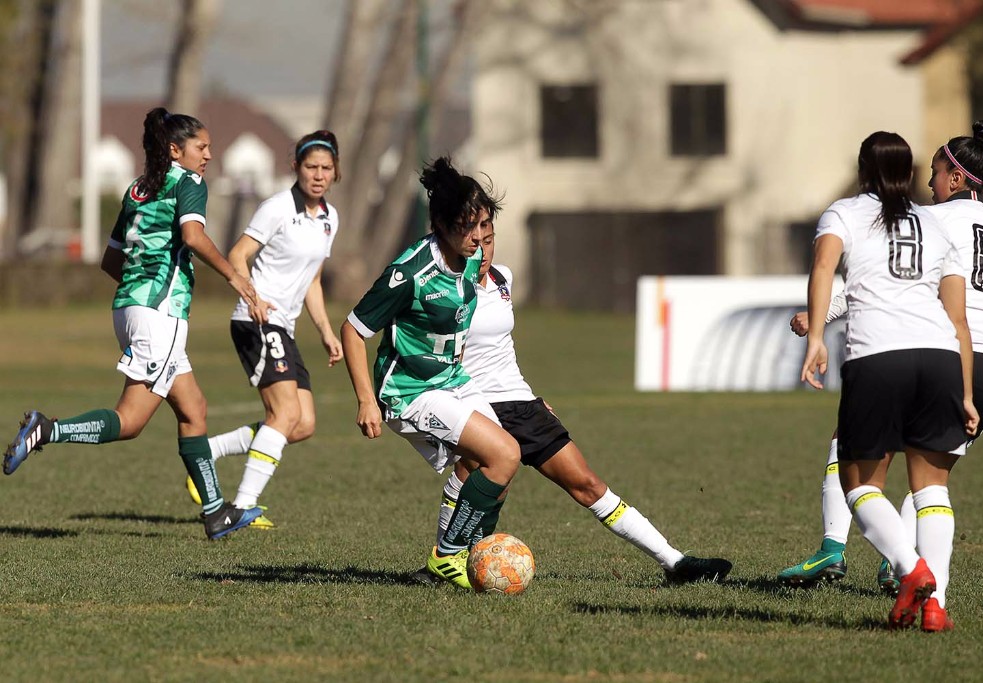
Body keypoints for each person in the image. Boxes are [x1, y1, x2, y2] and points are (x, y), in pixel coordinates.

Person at [780, 123, 983, 620]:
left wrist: (821, 317)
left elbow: (890, 278)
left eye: (936, 173)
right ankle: (932, 598)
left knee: (857, 454)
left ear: (955, 177)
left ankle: (856, 552)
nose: (931, 184)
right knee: (932, 477)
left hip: (939, 345)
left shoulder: (932, 220)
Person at [415, 218, 732, 586]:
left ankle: (675, 564)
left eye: (490, 239)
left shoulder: (503, 279)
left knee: (587, 484)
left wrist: (533, 397)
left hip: (521, 404)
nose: (483, 250)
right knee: (472, 475)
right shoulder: (443, 286)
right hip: (472, 404)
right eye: (475, 241)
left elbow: (502, 352)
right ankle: (443, 563)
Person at [3, 107, 267, 539]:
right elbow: (193, 237)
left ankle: (216, 513)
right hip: (159, 317)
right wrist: (236, 276)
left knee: (193, 409)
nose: (209, 156)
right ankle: (47, 429)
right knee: (130, 421)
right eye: (202, 147)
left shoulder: (138, 189)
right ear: (175, 149)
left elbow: (111, 260)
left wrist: (142, 287)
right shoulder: (189, 182)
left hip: (129, 309)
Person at [340, 157, 521, 588]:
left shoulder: (472, 260)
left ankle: (464, 559)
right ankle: (450, 556)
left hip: (452, 380)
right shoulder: (411, 272)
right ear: (440, 223)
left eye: (483, 226)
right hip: (408, 391)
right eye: (468, 227)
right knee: (504, 455)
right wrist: (366, 400)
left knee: (493, 466)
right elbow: (352, 330)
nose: (478, 238)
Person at [183, 131, 344, 528]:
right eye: (311, 167)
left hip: (284, 327)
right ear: (296, 168)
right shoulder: (276, 208)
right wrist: (253, 297)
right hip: (255, 320)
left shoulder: (329, 219)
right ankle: (238, 508)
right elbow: (237, 255)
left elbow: (313, 279)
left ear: (335, 172)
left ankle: (206, 451)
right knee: (285, 412)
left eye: (326, 168)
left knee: (302, 424)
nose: (318, 175)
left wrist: (325, 329)